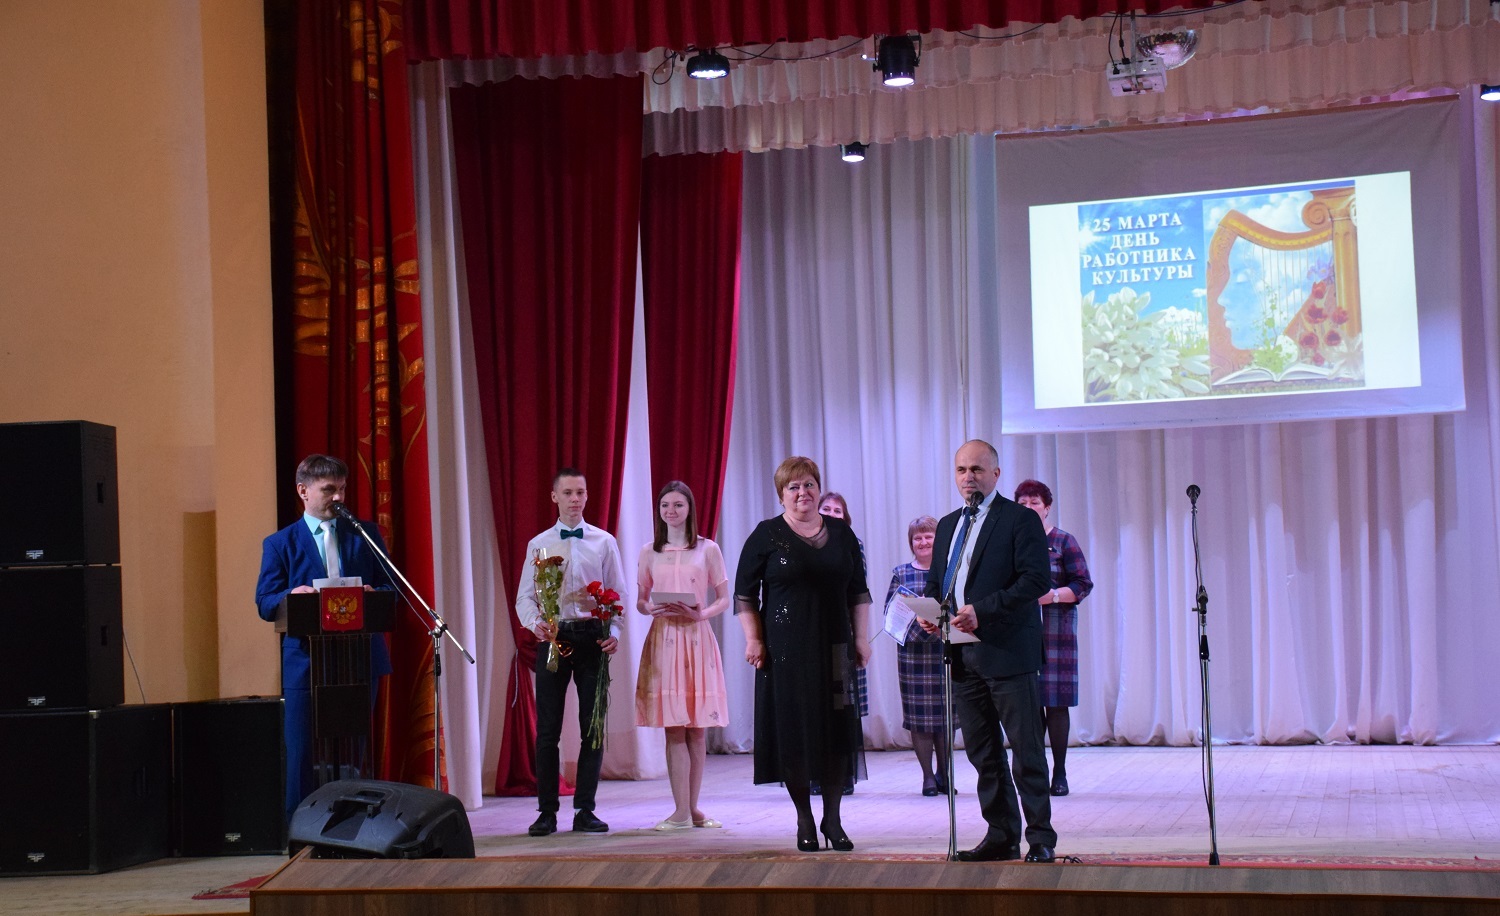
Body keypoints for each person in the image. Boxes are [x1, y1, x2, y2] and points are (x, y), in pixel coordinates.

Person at [920, 440, 1057, 863]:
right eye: (961, 470)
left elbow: (1036, 581)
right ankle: (1001, 835)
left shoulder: (1020, 519)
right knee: (983, 753)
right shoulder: (948, 525)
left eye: (977, 470)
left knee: (1026, 751)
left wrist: (983, 611)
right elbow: (938, 582)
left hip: (1008, 653)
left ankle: (1040, 839)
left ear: (995, 474)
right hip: (962, 656)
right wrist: (931, 614)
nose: (969, 477)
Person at [735, 456, 871, 852]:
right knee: (793, 732)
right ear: (781, 495)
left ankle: (833, 818)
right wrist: (754, 639)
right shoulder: (766, 535)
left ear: (818, 489)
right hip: (785, 651)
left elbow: (859, 592)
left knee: (837, 733)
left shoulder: (842, 534)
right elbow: (745, 595)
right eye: (793, 487)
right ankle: (805, 819)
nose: (802, 493)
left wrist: (862, 639)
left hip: (836, 647)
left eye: (809, 484)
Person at [255, 454, 393, 819]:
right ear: (303, 491)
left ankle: (358, 823)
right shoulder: (280, 543)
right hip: (306, 661)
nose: (338, 498)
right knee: (301, 750)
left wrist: (372, 592)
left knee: (355, 749)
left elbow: (390, 587)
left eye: (342, 489)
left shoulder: (364, 533)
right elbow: (265, 602)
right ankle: (300, 825)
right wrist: (291, 596)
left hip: (359, 658)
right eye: (329, 489)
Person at [514, 467, 627, 837]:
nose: (575, 499)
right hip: (554, 638)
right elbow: (525, 597)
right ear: (554, 497)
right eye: (568, 493)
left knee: (592, 727)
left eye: (580, 492)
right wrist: (535, 624)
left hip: (592, 638)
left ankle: (585, 810)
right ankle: (547, 811)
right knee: (548, 729)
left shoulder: (604, 541)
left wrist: (614, 632)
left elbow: (618, 592)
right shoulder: (539, 544)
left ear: (587, 495)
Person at [634, 481, 731, 830]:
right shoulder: (649, 551)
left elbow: (724, 597)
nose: (671, 511)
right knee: (674, 727)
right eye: (665, 505)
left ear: (689, 508)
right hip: (664, 639)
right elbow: (641, 599)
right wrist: (650, 608)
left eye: (678, 505)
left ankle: (691, 808)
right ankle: (681, 811)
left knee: (697, 728)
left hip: (696, 638)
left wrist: (700, 614)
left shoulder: (707, 549)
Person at [1014, 479, 1095, 797]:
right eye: (1022, 503)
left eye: (1034, 502)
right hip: (1021, 633)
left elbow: (1083, 584)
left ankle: (1059, 772)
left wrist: (1054, 596)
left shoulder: (1063, 541)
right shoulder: (1013, 542)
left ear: (1047, 508)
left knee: (1056, 705)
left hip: (1056, 633)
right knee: (1029, 707)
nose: (1028, 508)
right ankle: (1036, 773)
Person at [885, 515, 953, 796]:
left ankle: (945, 774)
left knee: (945, 718)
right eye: (918, 538)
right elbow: (891, 613)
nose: (923, 542)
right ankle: (927, 777)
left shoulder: (949, 570)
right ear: (911, 542)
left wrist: (940, 629)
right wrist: (923, 629)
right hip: (913, 655)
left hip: (945, 651)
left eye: (929, 537)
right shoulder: (901, 573)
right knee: (920, 718)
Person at [815, 491, 867, 796]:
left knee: (842, 703)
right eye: (827, 509)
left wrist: (859, 636)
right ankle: (815, 773)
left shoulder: (851, 544)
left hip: (842, 631)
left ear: (844, 517)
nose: (832, 514)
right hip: (810, 631)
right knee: (814, 704)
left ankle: (844, 773)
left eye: (837, 510)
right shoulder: (802, 541)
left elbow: (860, 592)